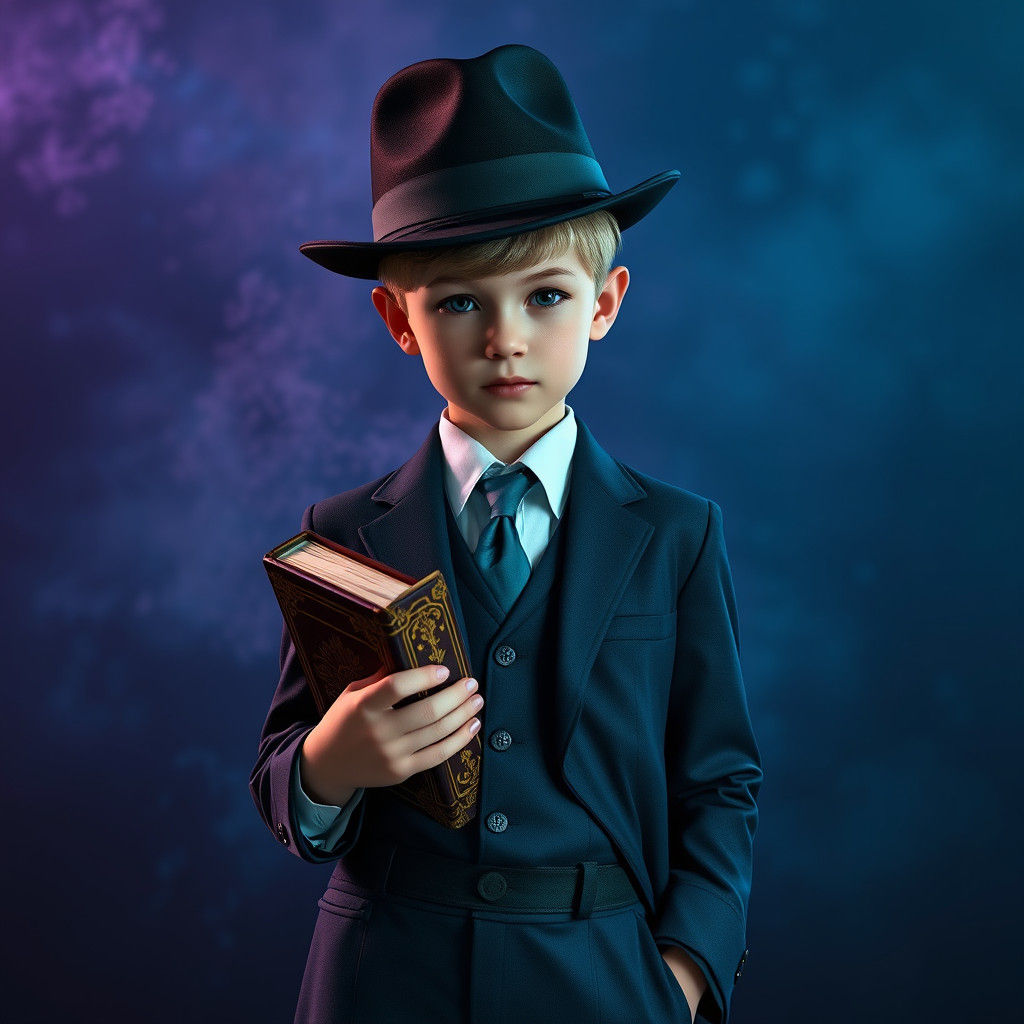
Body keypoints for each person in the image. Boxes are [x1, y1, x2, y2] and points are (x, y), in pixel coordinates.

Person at [249, 43, 762, 1024]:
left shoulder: (677, 534)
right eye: (457, 302)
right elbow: (281, 776)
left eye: (546, 295)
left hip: (603, 974)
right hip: (383, 978)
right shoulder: (341, 536)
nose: (505, 338)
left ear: (604, 303)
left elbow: (719, 778)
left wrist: (685, 970)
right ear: (398, 320)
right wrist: (329, 763)